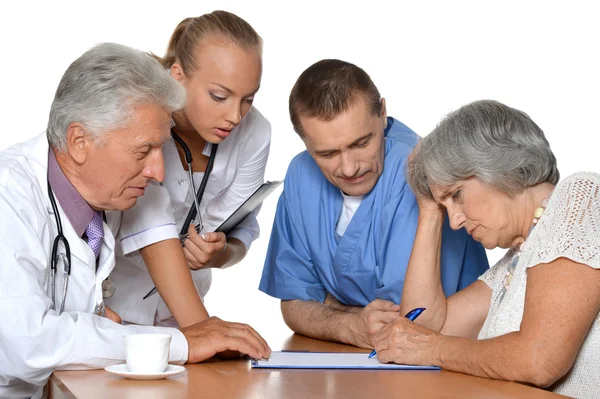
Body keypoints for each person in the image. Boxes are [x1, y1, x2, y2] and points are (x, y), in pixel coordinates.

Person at [0, 43, 270, 399]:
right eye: (144, 151)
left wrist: (98, 326)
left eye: (161, 149)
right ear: (79, 141)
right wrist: (178, 343)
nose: (158, 172)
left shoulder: (108, 200)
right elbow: (27, 344)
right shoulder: (9, 196)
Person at [374, 100, 600, 398]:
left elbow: (539, 360)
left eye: (456, 195)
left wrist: (429, 348)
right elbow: (428, 326)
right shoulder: (516, 260)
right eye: (445, 207)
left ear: (496, 164)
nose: (453, 221)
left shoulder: (579, 198)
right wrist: (429, 211)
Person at [258, 59, 489, 349]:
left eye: (361, 143)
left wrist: (328, 304)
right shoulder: (301, 174)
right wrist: (349, 323)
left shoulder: (417, 171)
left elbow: (407, 324)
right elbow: (293, 305)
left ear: (382, 112)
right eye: (327, 153)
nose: (350, 168)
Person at [106, 10, 271, 328]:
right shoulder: (138, 113)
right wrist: (202, 329)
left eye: (248, 98)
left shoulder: (256, 132)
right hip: (112, 308)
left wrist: (220, 254)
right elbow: (150, 228)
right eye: (219, 96)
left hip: (178, 315)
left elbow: (238, 228)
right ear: (176, 75)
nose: (236, 116)